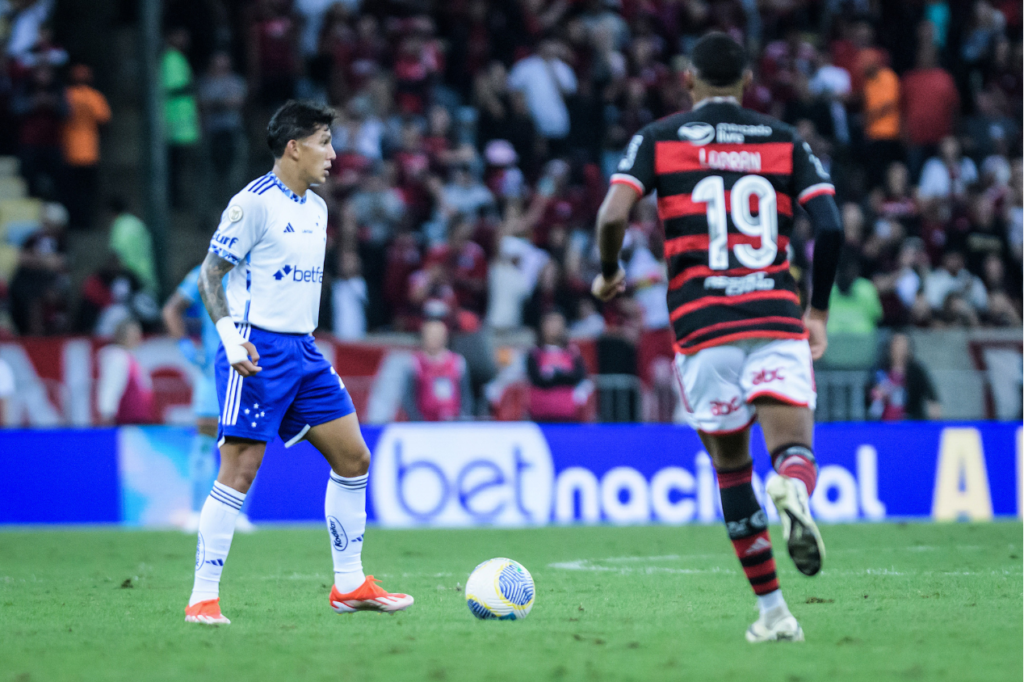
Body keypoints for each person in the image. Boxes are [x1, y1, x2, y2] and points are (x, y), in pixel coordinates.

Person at [592, 33, 843, 643]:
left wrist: (608, 272)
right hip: (775, 316)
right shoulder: (783, 140)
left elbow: (611, 215)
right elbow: (830, 226)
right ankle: (791, 485)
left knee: (732, 471)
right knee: (793, 452)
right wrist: (819, 310)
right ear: (749, 80)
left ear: (688, 79)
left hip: (703, 329)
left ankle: (774, 613)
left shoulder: (659, 139)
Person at [184, 100, 412, 625]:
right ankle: (203, 597)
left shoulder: (318, 208)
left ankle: (350, 584)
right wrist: (229, 338)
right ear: (294, 147)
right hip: (255, 350)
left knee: (354, 459)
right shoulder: (252, 204)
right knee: (240, 469)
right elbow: (209, 275)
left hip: (304, 351)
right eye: (324, 142)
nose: (333, 153)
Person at [163, 264, 256, 534]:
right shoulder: (207, 272)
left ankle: (238, 515)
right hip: (214, 370)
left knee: (249, 442)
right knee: (205, 438)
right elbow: (171, 309)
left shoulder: (261, 268)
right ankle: (195, 512)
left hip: (251, 369)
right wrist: (186, 346)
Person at [62, 64, 111, 230]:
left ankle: (74, 222)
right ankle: (86, 222)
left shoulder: (67, 95)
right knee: (87, 192)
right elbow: (104, 121)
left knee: (72, 191)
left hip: (70, 150)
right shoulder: (95, 97)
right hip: (89, 151)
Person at [402, 317, 472, 421]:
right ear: (423, 336)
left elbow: (466, 396)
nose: (434, 338)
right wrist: (417, 422)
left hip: (453, 423)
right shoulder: (414, 363)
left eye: (437, 334)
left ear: (445, 337)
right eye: (430, 334)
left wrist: (462, 419)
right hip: (424, 423)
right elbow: (408, 399)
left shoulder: (458, 362)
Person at [527, 310, 589, 422]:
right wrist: (563, 375)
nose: (554, 326)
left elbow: (578, 376)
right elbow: (537, 379)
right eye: (550, 322)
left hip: (567, 414)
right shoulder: (534, 353)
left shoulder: (572, 352)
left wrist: (553, 375)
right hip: (539, 414)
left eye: (557, 322)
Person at [869, 332, 941, 421]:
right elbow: (869, 393)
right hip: (884, 421)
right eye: (897, 344)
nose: (900, 348)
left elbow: (931, 394)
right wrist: (877, 393)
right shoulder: (880, 369)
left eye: (904, 344)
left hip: (911, 420)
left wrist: (934, 408)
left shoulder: (916, 370)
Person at [96, 318, 155, 425]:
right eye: (133, 334)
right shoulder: (117, 358)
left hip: (139, 419)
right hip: (126, 421)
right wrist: (107, 413)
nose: (138, 337)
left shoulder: (133, 358)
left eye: (138, 333)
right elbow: (110, 387)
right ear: (122, 336)